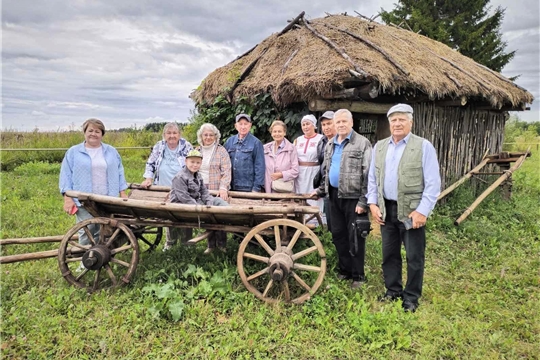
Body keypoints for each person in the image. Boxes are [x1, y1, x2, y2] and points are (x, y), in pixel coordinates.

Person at [367, 103, 441, 313]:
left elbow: (433, 183)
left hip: (411, 211)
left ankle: (411, 297)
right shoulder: (379, 147)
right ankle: (393, 291)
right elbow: (373, 179)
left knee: (414, 256)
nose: (397, 124)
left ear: (411, 122)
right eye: (394, 120)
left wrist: (422, 211)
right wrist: (373, 203)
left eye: (402, 119)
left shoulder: (423, 146)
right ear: (389, 123)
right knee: (389, 254)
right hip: (387, 209)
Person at [312, 109, 372, 289]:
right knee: (338, 234)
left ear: (351, 122)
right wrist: (321, 190)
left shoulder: (362, 143)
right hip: (333, 196)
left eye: (344, 121)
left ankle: (358, 275)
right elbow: (327, 171)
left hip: (353, 198)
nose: (341, 125)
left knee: (355, 235)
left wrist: (363, 201)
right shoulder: (331, 144)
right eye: (338, 122)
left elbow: (368, 175)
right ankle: (344, 270)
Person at [59, 118, 128, 248]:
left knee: (105, 229)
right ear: (84, 132)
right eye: (90, 130)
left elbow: (120, 171)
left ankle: (100, 256)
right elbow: (65, 175)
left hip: (108, 198)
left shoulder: (111, 151)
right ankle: (85, 260)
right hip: (84, 198)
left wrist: (122, 192)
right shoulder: (74, 152)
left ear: (102, 134)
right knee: (87, 230)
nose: (93, 134)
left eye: (97, 131)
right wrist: (67, 197)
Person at [141, 122, 193, 250]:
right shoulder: (159, 146)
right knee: (168, 215)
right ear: (164, 135)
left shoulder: (186, 146)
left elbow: (194, 164)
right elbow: (150, 163)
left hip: (182, 188)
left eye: (174, 133)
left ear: (179, 134)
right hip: (163, 187)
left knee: (185, 214)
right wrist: (148, 178)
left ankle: (186, 243)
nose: (172, 136)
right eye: (169, 133)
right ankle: (170, 242)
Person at [195, 123, 232, 253]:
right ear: (201, 136)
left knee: (218, 216)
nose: (208, 137)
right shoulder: (197, 151)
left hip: (216, 188)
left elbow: (227, 171)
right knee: (206, 216)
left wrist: (223, 188)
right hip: (201, 189)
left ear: (215, 136)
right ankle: (210, 245)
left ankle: (222, 245)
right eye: (206, 135)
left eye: (211, 135)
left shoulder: (221, 151)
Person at [224, 114, 265, 192]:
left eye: (245, 124)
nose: (243, 127)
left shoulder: (256, 143)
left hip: (248, 188)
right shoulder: (229, 141)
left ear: (250, 126)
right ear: (236, 126)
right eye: (240, 124)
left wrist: (256, 188)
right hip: (230, 187)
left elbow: (260, 167)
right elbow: (223, 163)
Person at [294, 114, 325, 218]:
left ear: (314, 125)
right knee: (300, 195)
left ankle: (315, 221)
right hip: (300, 173)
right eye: (303, 124)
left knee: (313, 195)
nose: (305, 127)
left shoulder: (321, 139)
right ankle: (300, 219)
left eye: (308, 124)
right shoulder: (298, 140)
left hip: (314, 171)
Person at [313, 111, 336, 230]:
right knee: (331, 221)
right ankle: (334, 244)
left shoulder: (341, 142)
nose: (326, 127)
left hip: (340, 189)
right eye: (324, 125)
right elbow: (322, 165)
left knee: (341, 224)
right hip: (327, 188)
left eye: (329, 123)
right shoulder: (322, 142)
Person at [263, 120, 299, 194]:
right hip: (267, 189)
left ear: (284, 133)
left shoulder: (291, 149)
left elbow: (295, 171)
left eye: (279, 131)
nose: (277, 134)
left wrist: (281, 174)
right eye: (274, 131)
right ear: (271, 133)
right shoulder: (265, 148)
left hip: (283, 190)